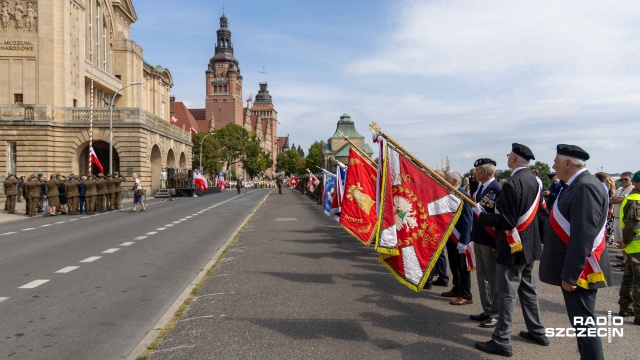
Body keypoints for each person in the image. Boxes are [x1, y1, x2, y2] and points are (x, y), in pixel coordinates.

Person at [474, 144, 547, 357]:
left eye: (509, 155)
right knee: (528, 289)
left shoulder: (512, 183)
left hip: (514, 245)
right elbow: (540, 213)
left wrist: (481, 214)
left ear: (514, 158)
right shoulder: (534, 180)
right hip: (529, 245)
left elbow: (506, 221)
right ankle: (537, 330)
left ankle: (502, 339)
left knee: (507, 293)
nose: (508, 158)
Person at [540, 144, 611, 360]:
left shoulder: (585, 186)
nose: (553, 165)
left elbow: (583, 236)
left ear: (568, 163)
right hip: (577, 268)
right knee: (582, 325)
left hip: (581, 271)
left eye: (556, 161)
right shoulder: (576, 184)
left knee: (585, 326)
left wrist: (571, 274)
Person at [469, 158, 502, 328]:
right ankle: (487, 309)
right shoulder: (481, 187)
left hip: (489, 240)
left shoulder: (496, 189)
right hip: (479, 237)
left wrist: (497, 243)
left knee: (492, 278)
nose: (474, 173)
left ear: (486, 172)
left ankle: (495, 313)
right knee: (482, 277)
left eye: (477, 170)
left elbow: (497, 218)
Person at [441, 170, 474, 305]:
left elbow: (468, 219)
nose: (444, 183)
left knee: (462, 267)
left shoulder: (463, 195)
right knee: (454, 265)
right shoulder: (452, 194)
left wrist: (464, 241)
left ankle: (466, 294)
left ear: (454, 181)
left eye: (446, 180)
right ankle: (456, 288)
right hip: (452, 236)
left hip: (460, 238)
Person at [617, 170, 640, 324]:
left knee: (629, 279)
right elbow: (632, 225)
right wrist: (625, 241)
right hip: (636, 246)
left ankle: (626, 308)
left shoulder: (632, 198)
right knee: (637, 282)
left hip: (633, 246)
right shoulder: (636, 200)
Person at [611, 171, 634, 266]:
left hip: (625, 219)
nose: (623, 181)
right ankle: (625, 261)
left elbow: (618, 199)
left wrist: (616, 199)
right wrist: (616, 199)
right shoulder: (619, 189)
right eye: (622, 179)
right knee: (618, 242)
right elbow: (611, 199)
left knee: (625, 241)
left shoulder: (632, 189)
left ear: (631, 180)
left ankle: (628, 262)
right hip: (616, 218)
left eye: (626, 179)